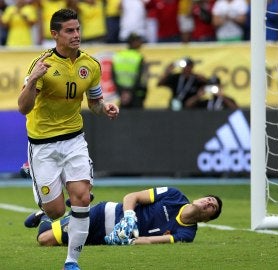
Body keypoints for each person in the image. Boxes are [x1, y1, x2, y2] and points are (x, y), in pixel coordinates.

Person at [17, 8, 119, 270]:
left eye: (78, 29)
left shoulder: (91, 65)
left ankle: (71, 262)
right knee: (56, 212)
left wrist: (104, 108)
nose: (76, 35)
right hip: (43, 144)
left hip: (74, 139)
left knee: (82, 199)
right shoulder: (42, 65)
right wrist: (33, 81)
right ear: (55, 34)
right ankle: (39, 189)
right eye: (69, 31)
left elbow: (94, 103)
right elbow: (23, 107)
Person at [24, 187, 223, 246]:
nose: (208, 203)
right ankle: (45, 217)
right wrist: (129, 216)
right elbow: (132, 196)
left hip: (110, 238)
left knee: (54, 240)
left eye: (211, 207)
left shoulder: (187, 233)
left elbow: (152, 240)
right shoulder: (174, 195)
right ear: (200, 198)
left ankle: (73, 210)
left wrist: (128, 241)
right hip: (105, 215)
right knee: (45, 240)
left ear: (206, 219)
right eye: (208, 199)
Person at [112, 32, 148, 108]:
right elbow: (141, 78)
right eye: (139, 41)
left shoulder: (118, 55)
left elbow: (113, 76)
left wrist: (121, 92)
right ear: (133, 42)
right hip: (136, 94)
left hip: (122, 95)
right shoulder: (138, 57)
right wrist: (130, 92)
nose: (141, 43)